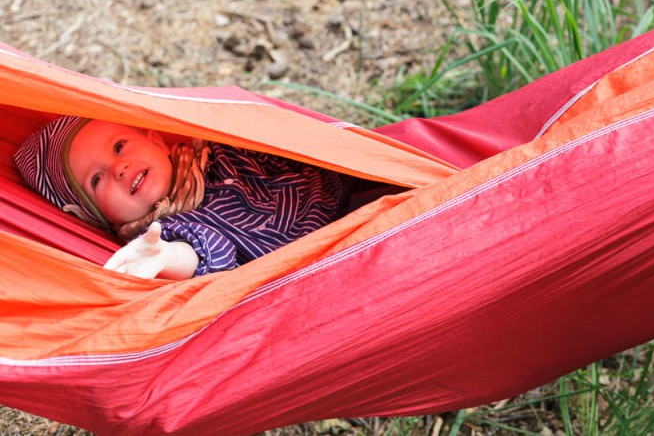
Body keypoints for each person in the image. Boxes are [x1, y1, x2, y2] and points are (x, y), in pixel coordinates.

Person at [14, 116, 395, 280]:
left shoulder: (215, 147)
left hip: (346, 185)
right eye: (96, 179)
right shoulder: (165, 228)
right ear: (89, 215)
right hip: (329, 251)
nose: (120, 167)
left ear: (156, 140)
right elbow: (207, 254)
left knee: (406, 179)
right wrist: (164, 258)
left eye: (119, 146)